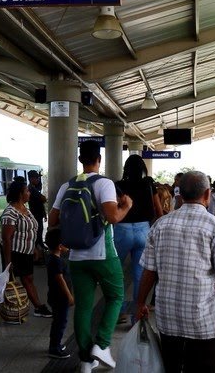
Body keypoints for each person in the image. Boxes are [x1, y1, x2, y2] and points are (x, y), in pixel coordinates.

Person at [135, 171, 215, 373]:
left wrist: (140, 303)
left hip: (168, 320)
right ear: (207, 194)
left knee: (172, 367)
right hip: (203, 323)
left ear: (179, 193)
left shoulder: (160, 225)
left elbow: (149, 271)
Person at [48, 140, 133, 373]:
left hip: (75, 256)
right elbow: (113, 217)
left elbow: (53, 219)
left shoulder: (68, 186)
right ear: (99, 159)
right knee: (116, 296)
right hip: (103, 253)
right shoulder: (103, 183)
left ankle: (86, 360)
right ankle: (102, 345)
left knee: (84, 307)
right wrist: (127, 206)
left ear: (79, 160)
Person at [113, 155, 163, 323]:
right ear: (143, 168)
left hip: (122, 229)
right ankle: (136, 316)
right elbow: (159, 211)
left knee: (116, 272)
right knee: (139, 275)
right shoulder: (149, 184)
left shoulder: (118, 185)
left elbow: (113, 210)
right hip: (144, 231)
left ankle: (118, 312)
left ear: (126, 168)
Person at [0, 180, 53, 318]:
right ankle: (32, 307)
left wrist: (34, 247)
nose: (29, 193)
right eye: (27, 191)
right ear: (20, 194)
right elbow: (6, 239)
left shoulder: (25, 209)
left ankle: (29, 307)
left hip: (27, 252)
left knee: (27, 278)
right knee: (21, 279)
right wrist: (8, 262)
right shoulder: (10, 213)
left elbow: (31, 231)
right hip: (15, 252)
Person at [45, 228, 74, 359]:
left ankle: (55, 344)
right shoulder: (56, 262)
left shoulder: (53, 259)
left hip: (56, 297)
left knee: (58, 321)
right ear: (60, 246)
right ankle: (54, 347)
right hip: (60, 298)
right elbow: (60, 280)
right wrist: (69, 295)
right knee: (60, 322)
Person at [27, 170, 48, 266]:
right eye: (37, 178)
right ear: (31, 179)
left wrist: (44, 214)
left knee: (38, 235)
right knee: (37, 237)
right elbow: (43, 199)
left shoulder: (35, 188)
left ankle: (38, 256)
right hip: (35, 215)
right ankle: (38, 258)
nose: (39, 180)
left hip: (38, 214)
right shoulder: (32, 189)